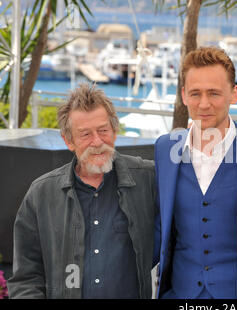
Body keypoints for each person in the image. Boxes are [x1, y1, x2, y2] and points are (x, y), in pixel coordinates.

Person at [153, 47, 237, 299]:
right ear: (183, 95)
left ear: (234, 93)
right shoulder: (165, 148)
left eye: (214, 93)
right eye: (195, 93)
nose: (204, 104)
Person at [7, 83, 157, 299]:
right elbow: (26, 278)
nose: (97, 142)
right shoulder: (41, 195)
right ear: (68, 140)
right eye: (85, 134)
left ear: (115, 131)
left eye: (103, 130)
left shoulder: (148, 179)